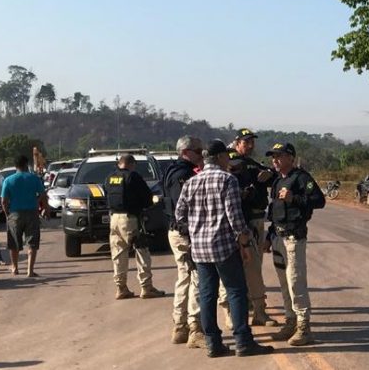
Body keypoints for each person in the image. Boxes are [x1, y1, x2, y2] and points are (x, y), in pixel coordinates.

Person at [175, 139, 274, 358]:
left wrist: (194, 233)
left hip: (200, 250)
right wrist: (245, 242)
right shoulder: (227, 180)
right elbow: (235, 217)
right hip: (224, 247)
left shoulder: (192, 182)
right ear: (220, 157)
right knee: (236, 291)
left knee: (207, 295)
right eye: (226, 156)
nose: (228, 159)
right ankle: (243, 341)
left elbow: (179, 214)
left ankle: (213, 343)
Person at [263, 142, 326, 346]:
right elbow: (274, 212)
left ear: (291, 157)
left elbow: (319, 200)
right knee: (283, 283)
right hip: (278, 238)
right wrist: (268, 236)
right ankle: (290, 321)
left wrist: (294, 198)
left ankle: (304, 327)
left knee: (295, 282)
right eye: (273, 156)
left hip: (293, 238)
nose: (275, 160)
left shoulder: (301, 178)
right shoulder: (277, 182)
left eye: (279, 156)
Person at [219, 128, 278, 327]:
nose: (250, 145)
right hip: (240, 224)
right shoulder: (233, 165)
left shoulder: (251, 164)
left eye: (252, 142)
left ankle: (258, 311)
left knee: (254, 268)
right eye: (246, 142)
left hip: (255, 220)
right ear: (236, 143)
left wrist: (268, 172)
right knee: (236, 269)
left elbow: (270, 176)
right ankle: (232, 313)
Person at [162, 136, 205, 347]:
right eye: (198, 150)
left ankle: (180, 326)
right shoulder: (182, 175)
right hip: (185, 233)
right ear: (186, 152)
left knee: (184, 278)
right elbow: (184, 209)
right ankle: (194, 328)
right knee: (195, 278)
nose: (202, 154)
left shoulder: (173, 170)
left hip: (177, 232)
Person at [106, 153, 165, 300]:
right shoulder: (133, 177)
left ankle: (121, 288)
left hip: (114, 219)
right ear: (132, 164)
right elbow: (147, 198)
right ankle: (146, 287)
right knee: (141, 251)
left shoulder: (110, 178)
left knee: (118, 254)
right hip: (131, 219)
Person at [1, 155, 47, 277]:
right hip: (32, 213)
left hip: (15, 214)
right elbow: (43, 195)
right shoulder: (34, 178)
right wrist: (43, 207)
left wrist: (7, 214)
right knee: (32, 243)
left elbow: (4, 201)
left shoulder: (8, 180)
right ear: (26, 164)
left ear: (15, 166)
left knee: (14, 243)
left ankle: (15, 268)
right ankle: (30, 271)